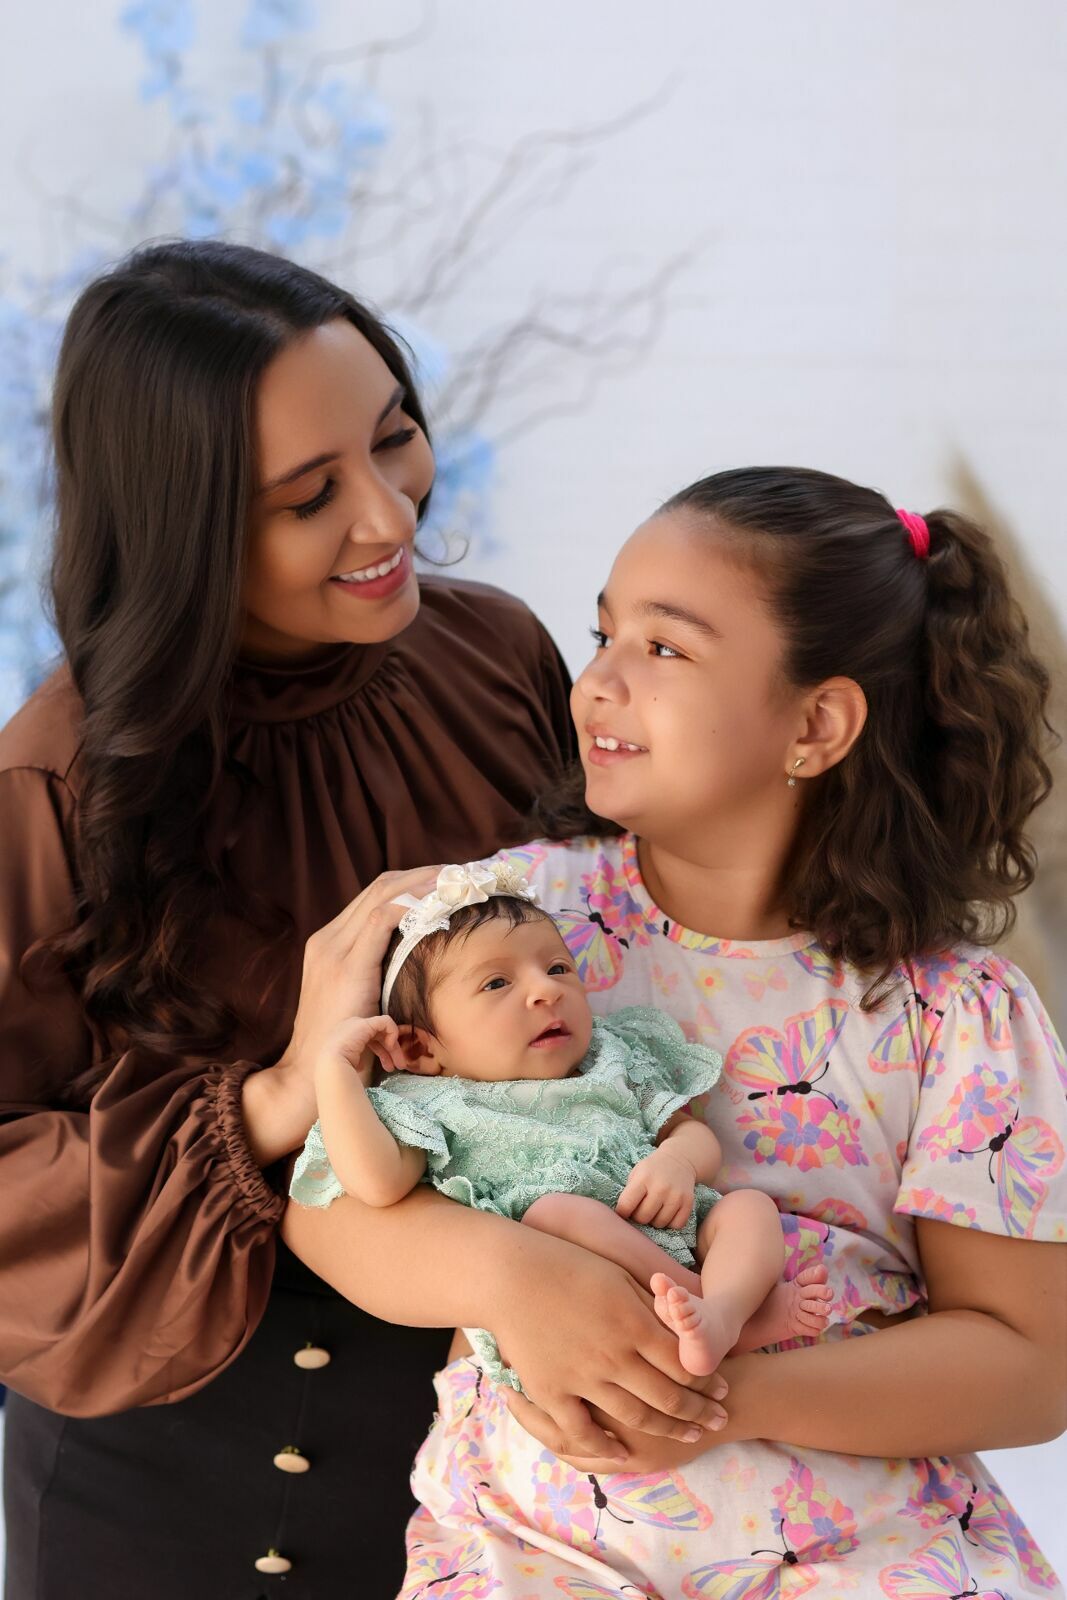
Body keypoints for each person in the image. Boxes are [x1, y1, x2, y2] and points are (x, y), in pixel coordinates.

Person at [0, 237, 719, 1600]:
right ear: (184, 520)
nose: (389, 518)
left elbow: (618, 965)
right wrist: (278, 1095)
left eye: (393, 438)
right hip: (182, 1468)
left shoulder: (493, 656)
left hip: (492, 1451)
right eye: (306, 496)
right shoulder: (59, 786)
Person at [288, 468, 1067, 1597]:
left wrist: (718, 1398)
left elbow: (1027, 1364)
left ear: (815, 724)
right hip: (537, 1549)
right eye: (601, 634)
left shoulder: (957, 1012)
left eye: (662, 648)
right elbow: (327, 1204)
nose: (597, 682)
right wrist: (515, 1280)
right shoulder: (502, 923)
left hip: (868, 1556)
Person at [288, 860, 834, 1380]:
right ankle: (708, 1310)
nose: (547, 990)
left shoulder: (612, 1058)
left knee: (747, 1209)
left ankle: (725, 1313)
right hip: (569, 1293)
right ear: (419, 1048)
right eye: (496, 984)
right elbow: (377, 1184)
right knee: (556, 1214)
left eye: (557, 968)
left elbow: (690, 1132)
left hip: (673, 1230)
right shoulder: (431, 1103)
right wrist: (334, 1072)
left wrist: (678, 1162)